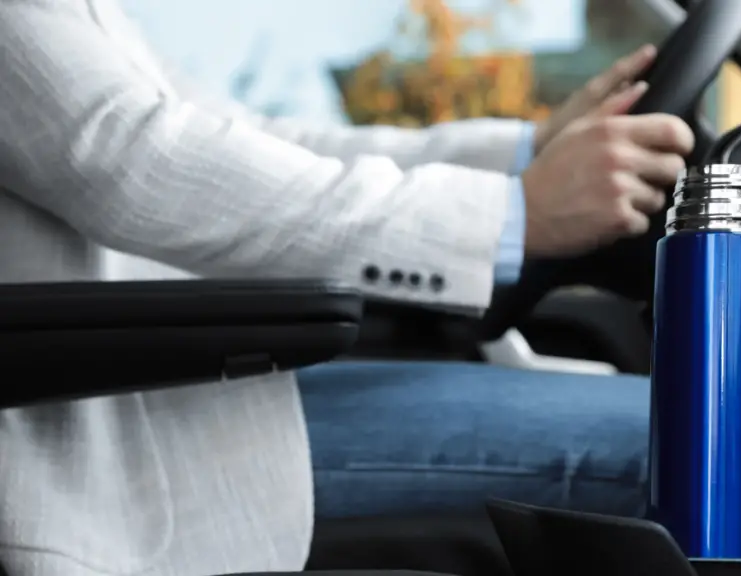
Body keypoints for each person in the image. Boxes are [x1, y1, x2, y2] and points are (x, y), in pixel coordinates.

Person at [0, 0, 694, 575]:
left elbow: (251, 138)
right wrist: (515, 216)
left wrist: (526, 156)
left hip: (187, 407)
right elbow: (140, 164)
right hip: (115, 454)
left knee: (669, 423)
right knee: (681, 440)